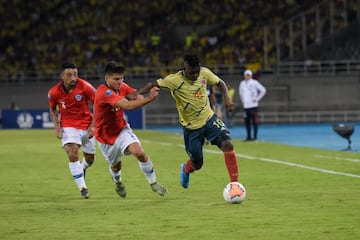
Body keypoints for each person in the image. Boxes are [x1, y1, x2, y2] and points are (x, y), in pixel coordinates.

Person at [136, 54, 239, 189]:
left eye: (197, 71)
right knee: (198, 163)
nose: (196, 75)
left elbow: (220, 83)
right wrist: (137, 93)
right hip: (191, 129)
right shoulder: (174, 80)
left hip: (209, 119)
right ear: (184, 68)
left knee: (227, 144)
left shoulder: (204, 73)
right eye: (192, 72)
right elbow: (153, 84)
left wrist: (226, 98)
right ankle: (186, 169)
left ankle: (235, 185)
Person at [93, 61, 167, 198]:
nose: (120, 82)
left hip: (121, 130)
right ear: (106, 78)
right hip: (105, 138)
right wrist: (150, 98)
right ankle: (118, 181)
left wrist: (139, 95)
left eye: (121, 78)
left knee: (139, 152)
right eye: (116, 79)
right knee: (116, 166)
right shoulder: (104, 93)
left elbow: (134, 94)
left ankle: (153, 183)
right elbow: (128, 106)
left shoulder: (122, 86)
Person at [48, 62, 96, 199]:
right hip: (68, 126)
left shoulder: (86, 87)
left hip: (86, 126)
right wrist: (57, 126)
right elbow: (52, 109)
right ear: (62, 76)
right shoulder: (54, 92)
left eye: (75, 74)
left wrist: (93, 126)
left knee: (90, 159)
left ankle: (83, 168)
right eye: (69, 75)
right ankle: (83, 188)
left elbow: (99, 104)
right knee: (72, 151)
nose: (73, 78)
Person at [238, 69, 266, 141]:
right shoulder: (242, 83)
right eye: (246, 75)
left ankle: (255, 137)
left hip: (253, 106)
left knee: (254, 121)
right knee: (247, 122)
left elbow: (263, 90)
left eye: (248, 75)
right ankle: (248, 136)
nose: (247, 76)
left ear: (251, 75)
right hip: (246, 106)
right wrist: (242, 101)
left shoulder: (254, 82)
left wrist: (257, 99)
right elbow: (241, 93)